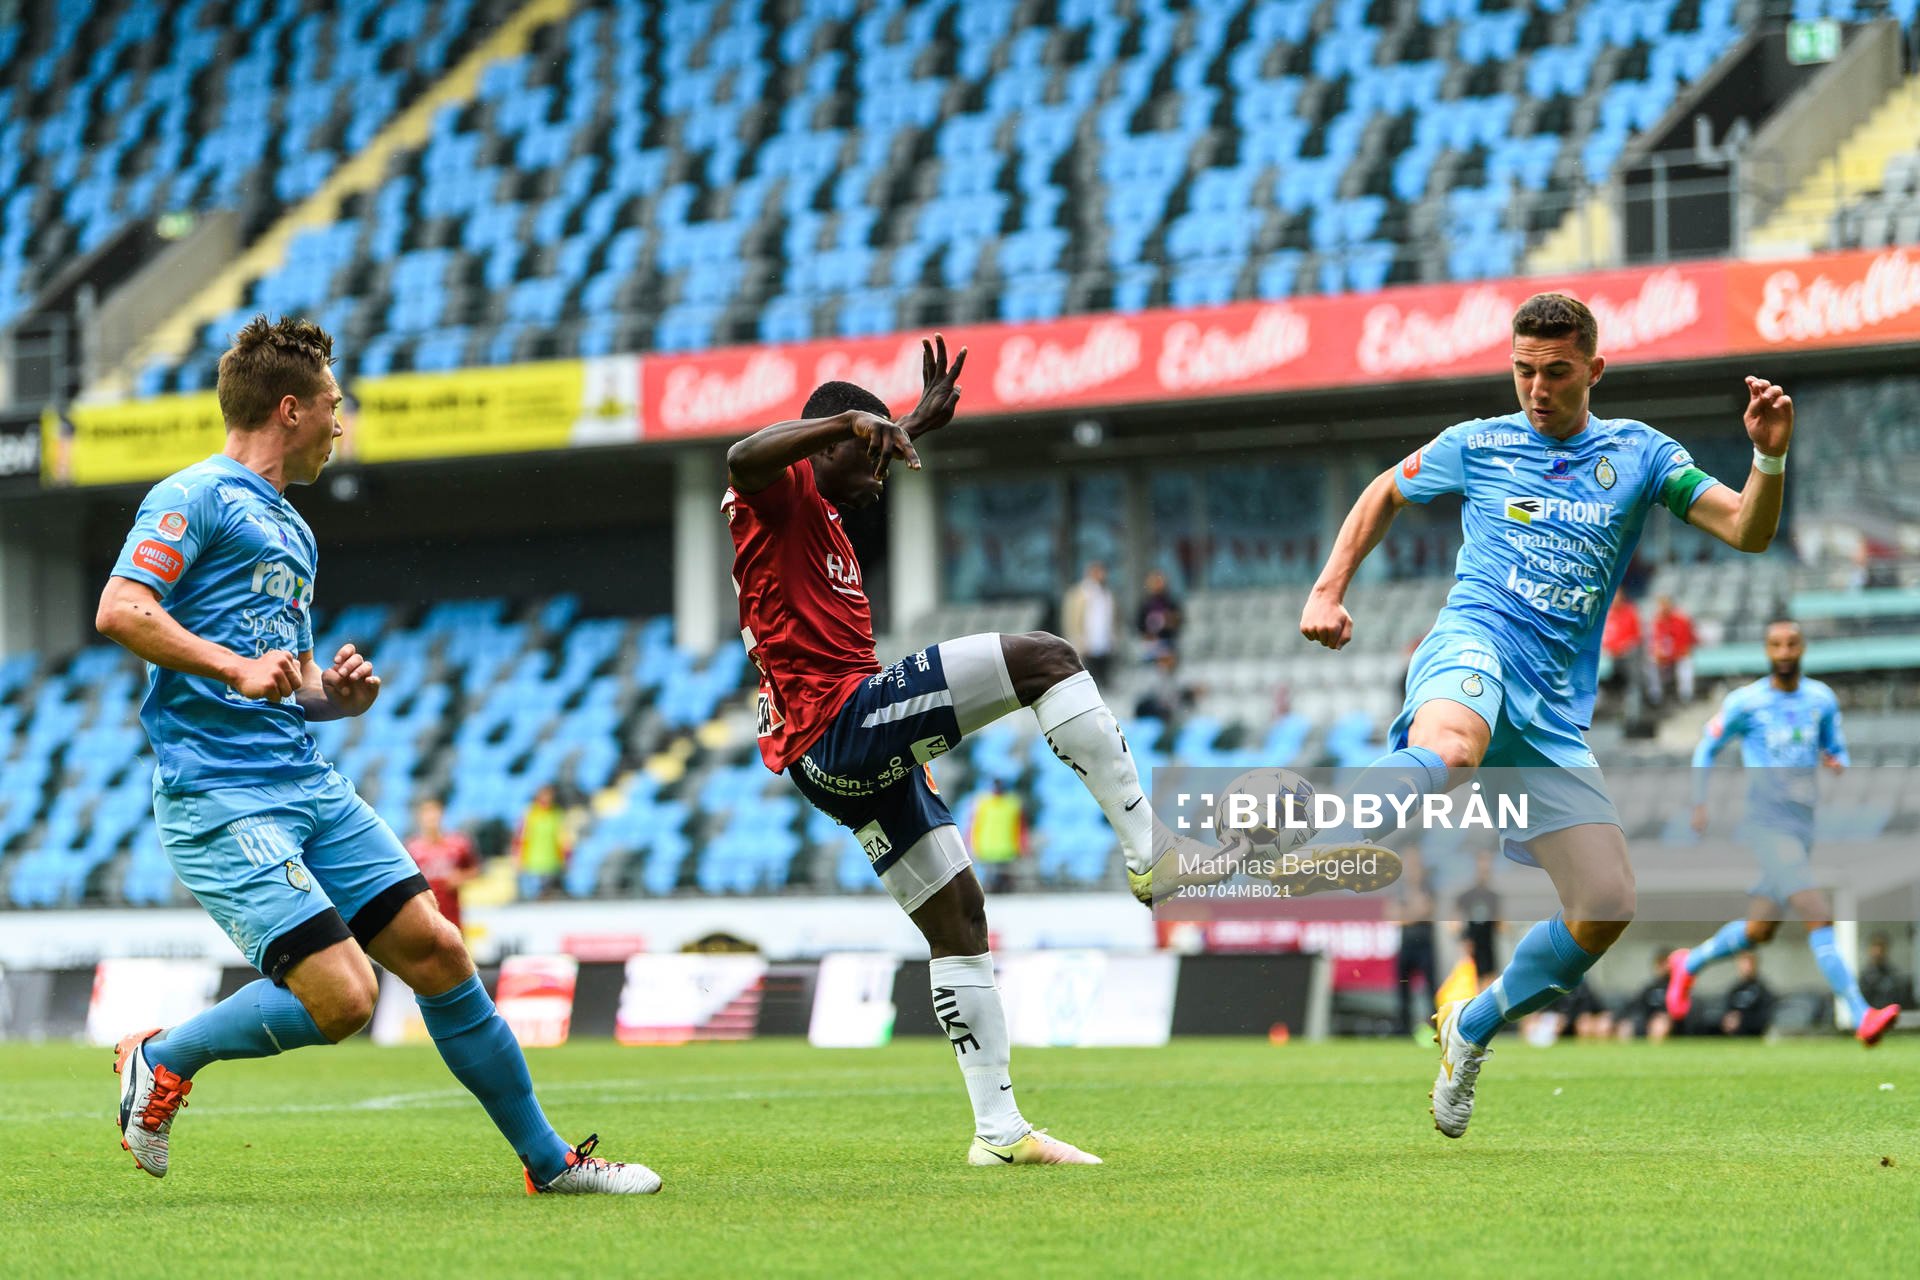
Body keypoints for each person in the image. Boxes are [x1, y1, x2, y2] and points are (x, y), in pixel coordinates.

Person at [723, 335, 1390, 1166]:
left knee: (960, 919)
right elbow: (745, 452)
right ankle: (1152, 854)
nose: (880, 481)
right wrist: (861, 418)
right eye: (869, 459)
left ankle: (998, 1133)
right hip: (841, 723)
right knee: (1048, 658)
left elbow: (844, 461)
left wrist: (905, 425)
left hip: (832, 763)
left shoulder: (818, 506)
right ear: (831, 442)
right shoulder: (778, 488)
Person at [94, 316, 654, 1194]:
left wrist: (335, 695)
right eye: (333, 404)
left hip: (305, 782)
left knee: (438, 951)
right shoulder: (191, 495)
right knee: (346, 1000)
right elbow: (122, 608)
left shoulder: (295, 531)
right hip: (220, 793)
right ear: (291, 410)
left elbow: (293, 675)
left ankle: (552, 1164)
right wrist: (234, 667)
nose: (341, 421)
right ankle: (160, 1057)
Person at [1299, 291, 1799, 1138]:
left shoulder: (1640, 455)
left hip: (1553, 710)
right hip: (1473, 645)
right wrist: (1328, 587)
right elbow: (1385, 489)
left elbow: (1746, 529)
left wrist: (1769, 461)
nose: (1537, 387)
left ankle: (1471, 1027)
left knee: (1605, 903)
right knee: (1451, 743)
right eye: (1524, 370)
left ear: (1594, 369)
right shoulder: (1479, 444)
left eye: (1557, 372)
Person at [1666, 619, 1899, 1045]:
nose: (1785, 652)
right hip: (1765, 824)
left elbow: (1835, 744)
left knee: (1760, 930)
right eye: (1776, 645)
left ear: (1802, 648)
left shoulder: (1821, 699)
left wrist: (1836, 758)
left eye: (1792, 644)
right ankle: (1862, 1013)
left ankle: (1689, 963)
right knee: (1817, 910)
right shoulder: (1747, 702)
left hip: (1801, 826)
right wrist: (1698, 801)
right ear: (1767, 651)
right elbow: (1707, 746)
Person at [405, 796, 479, 932]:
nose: (431, 817)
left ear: (441, 814)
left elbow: (475, 870)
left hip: (452, 913)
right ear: (419, 817)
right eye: (426, 813)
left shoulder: (458, 844)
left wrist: (460, 877)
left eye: (434, 812)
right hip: (426, 913)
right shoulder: (412, 849)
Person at [1060, 561, 1116, 684]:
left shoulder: (1106, 593)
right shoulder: (1080, 593)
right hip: (1086, 642)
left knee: (1103, 673)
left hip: (1103, 642)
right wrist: (1078, 639)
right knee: (1088, 675)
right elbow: (1072, 619)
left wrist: (1112, 636)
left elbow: (1110, 618)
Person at [1454, 850, 1503, 989]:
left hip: (1488, 945)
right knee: (1471, 984)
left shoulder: (1493, 896)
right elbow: (1455, 922)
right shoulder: (1467, 895)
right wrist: (1463, 940)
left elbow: (1499, 924)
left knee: (1488, 983)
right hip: (1471, 946)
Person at [967, 778, 1025, 894]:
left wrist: (1021, 844)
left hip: (1005, 850)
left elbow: (1020, 827)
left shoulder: (1012, 804)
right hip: (988, 849)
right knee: (990, 880)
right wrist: (971, 842)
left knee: (1003, 881)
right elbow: (974, 824)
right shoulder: (983, 803)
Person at [513, 784, 570, 901]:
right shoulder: (529, 813)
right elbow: (521, 838)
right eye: (544, 795)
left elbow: (563, 840)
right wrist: (518, 858)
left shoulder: (557, 814)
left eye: (549, 795)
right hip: (532, 864)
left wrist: (565, 859)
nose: (547, 798)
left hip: (552, 863)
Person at [1396, 883, 1438, 1037]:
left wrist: (1409, 914)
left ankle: (1436, 1025)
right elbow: (1393, 916)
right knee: (1402, 989)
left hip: (1424, 946)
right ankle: (1403, 1029)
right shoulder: (1400, 891)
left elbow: (1427, 911)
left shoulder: (1428, 888)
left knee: (1431, 990)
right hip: (1406, 946)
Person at [1647, 594, 1698, 705]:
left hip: (1680, 655)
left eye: (1665, 605)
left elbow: (1689, 643)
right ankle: (1656, 698)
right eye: (1661, 605)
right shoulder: (1657, 621)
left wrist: (1677, 653)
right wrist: (1658, 653)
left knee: (1685, 663)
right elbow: (1654, 643)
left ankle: (1686, 697)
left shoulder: (1682, 620)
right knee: (1651, 664)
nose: (1662, 608)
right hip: (1664, 658)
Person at [1718, 953, 1776, 1037]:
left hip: (1753, 1035)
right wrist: (1728, 1020)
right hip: (1733, 1035)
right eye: (1743, 964)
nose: (1746, 968)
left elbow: (1764, 1017)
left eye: (1749, 964)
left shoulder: (1762, 990)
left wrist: (1742, 1021)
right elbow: (1726, 1010)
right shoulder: (1734, 989)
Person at [1860, 932, 1916, 1011]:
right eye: (1875, 946)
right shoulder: (1864, 979)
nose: (1878, 951)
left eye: (1881, 947)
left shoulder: (1896, 977)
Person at [1135, 569, 1183, 657]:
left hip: (1168, 644)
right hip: (1150, 646)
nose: (1157, 585)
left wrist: (1171, 621)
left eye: (1159, 581)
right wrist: (1147, 635)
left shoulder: (1170, 602)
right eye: (1154, 582)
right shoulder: (1145, 604)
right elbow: (1139, 624)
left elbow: (1178, 622)